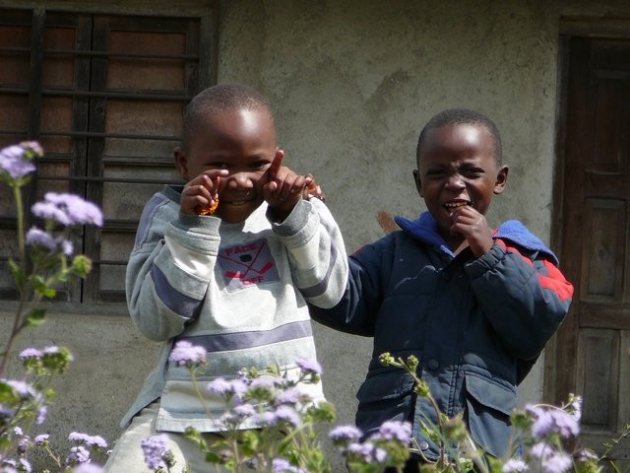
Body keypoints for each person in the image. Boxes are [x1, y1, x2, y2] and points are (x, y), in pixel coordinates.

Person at [308, 108, 573, 468]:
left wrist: (489, 254)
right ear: (419, 183)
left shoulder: (524, 256)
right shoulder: (392, 254)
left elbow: (539, 318)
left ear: (500, 178)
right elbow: (335, 293)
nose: (454, 183)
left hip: (479, 451)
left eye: (471, 171)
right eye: (437, 173)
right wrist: (306, 228)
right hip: (394, 450)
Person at [104, 83, 348, 472]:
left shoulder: (295, 207)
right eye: (220, 165)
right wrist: (194, 229)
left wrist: (294, 216)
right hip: (184, 416)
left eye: (257, 164)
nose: (240, 181)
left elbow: (330, 291)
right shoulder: (169, 216)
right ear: (184, 164)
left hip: (278, 419)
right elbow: (155, 322)